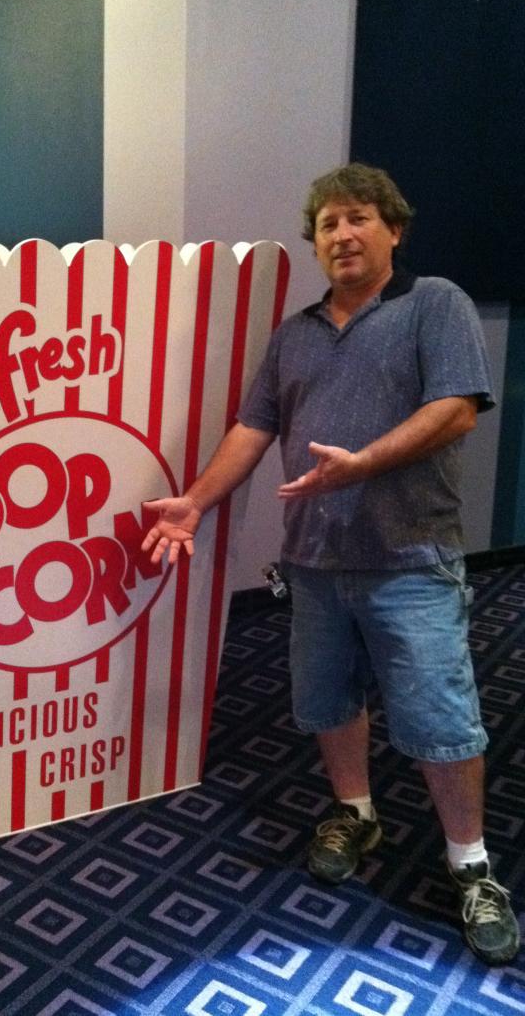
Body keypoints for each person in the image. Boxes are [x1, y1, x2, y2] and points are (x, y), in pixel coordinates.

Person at [141, 163, 520, 967]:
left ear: (393, 229)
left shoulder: (435, 303)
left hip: (410, 559)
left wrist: (363, 464)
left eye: (358, 218)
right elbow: (253, 427)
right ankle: (356, 812)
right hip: (312, 562)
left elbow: (456, 408)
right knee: (327, 701)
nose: (342, 235)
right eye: (327, 225)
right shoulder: (296, 333)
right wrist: (195, 501)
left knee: (442, 719)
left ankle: (471, 864)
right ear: (314, 244)